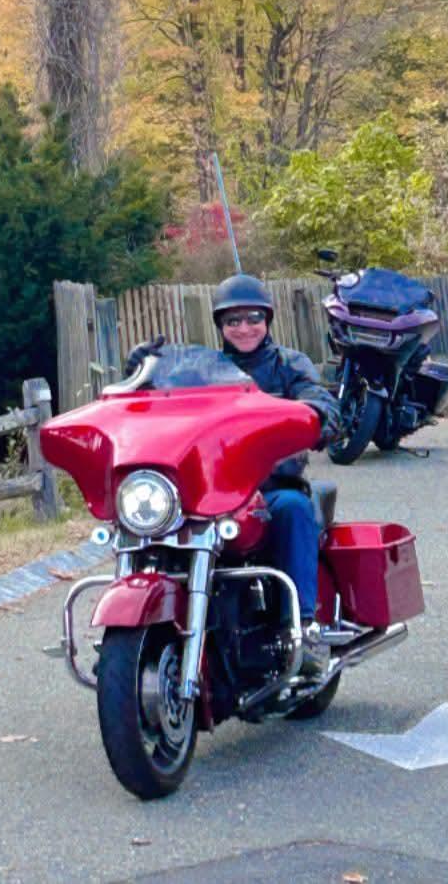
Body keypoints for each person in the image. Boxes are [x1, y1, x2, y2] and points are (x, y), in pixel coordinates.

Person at [126, 273, 341, 676]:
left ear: (267, 320)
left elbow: (321, 402)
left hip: (269, 488)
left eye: (253, 318)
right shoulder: (201, 369)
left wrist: (315, 415)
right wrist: (140, 370)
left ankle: (304, 628)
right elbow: (155, 400)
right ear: (220, 326)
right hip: (208, 494)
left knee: (294, 509)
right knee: (155, 524)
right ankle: (145, 630)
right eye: (233, 321)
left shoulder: (289, 364)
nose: (244, 328)